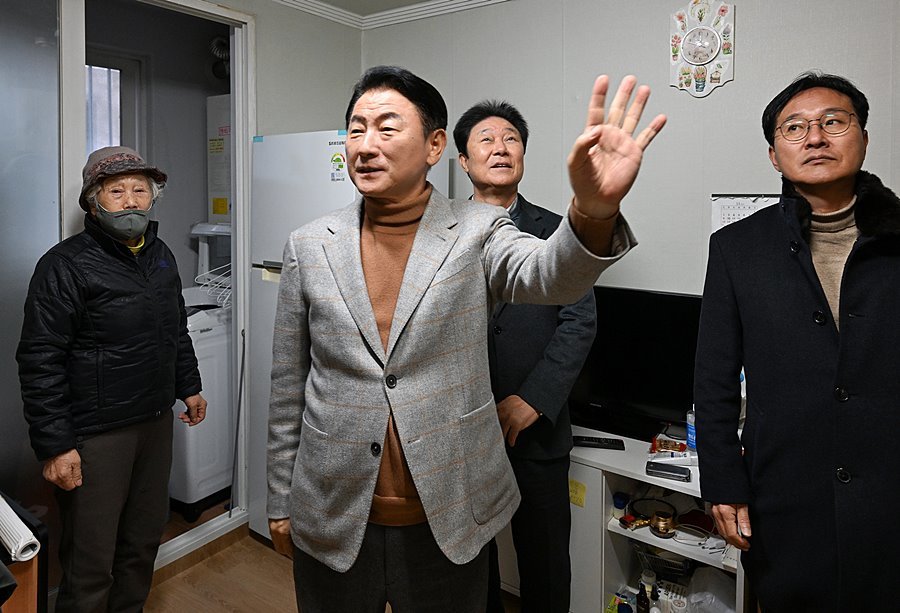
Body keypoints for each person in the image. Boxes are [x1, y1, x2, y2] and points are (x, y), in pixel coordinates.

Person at [266, 65, 665, 612]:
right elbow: (288, 384)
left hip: (445, 513)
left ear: (434, 146)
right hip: (331, 508)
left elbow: (550, 276)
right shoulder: (308, 243)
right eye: (356, 129)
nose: (366, 144)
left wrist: (593, 213)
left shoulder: (478, 228)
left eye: (387, 127)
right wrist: (280, 499)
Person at [695, 72, 900, 610]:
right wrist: (723, 481)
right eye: (795, 127)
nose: (815, 138)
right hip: (784, 493)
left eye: (833, 122)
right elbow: (713, 377)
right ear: (774, 155)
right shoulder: (737, 247)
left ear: (863, 138)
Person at [17, 146, 207, 613]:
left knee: (142, 543)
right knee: (90, 561)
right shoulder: (64, 265)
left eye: (140, 190)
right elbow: (40, 358)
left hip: (154, 422)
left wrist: (189, 385)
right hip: (96, 434)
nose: (130, 201)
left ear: (153, 197)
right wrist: (56, 446)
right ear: (93, 201)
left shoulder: (161, 255)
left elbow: (175, 328)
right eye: (116, 191)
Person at [453, 100, 596, 613]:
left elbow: (579, 322)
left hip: (536, 429)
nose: (500, 148)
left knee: (546, 560)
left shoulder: (560, 231)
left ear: (523, 156)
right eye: (486, 139)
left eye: (511, 138)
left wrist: (532, 399)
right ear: (464, 160)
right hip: (462, 428)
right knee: (470, 562)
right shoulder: (438, 232)